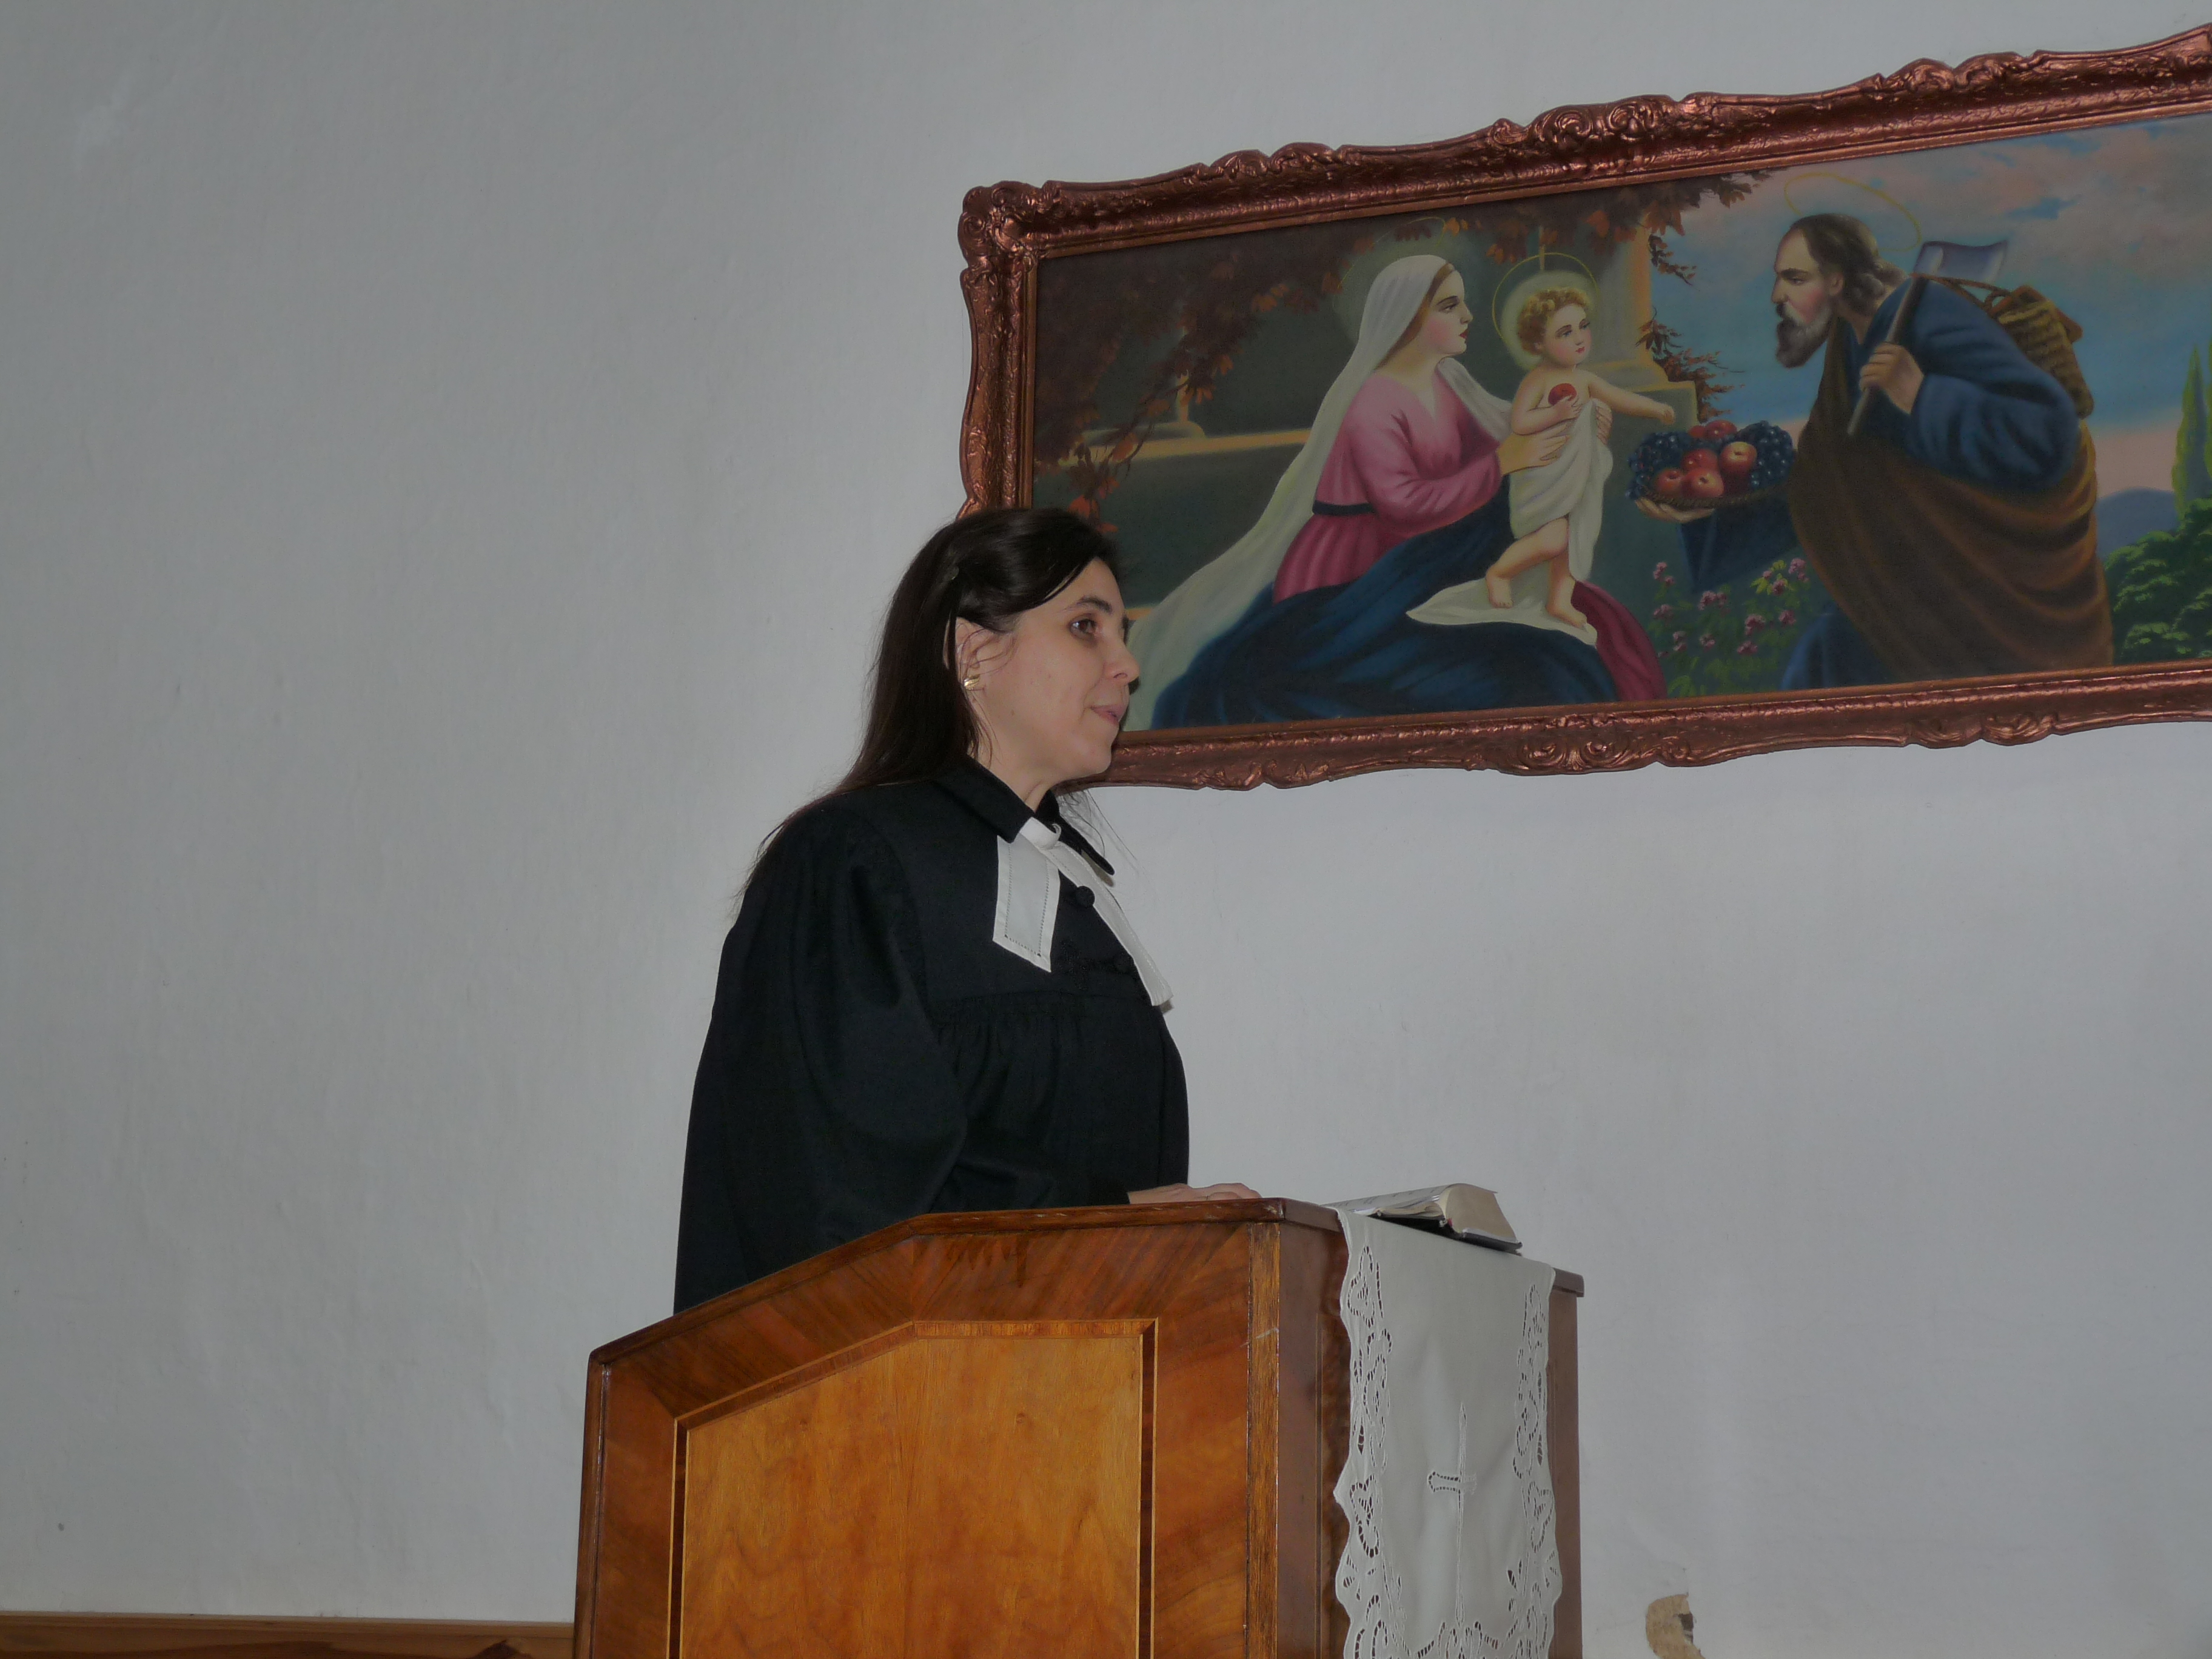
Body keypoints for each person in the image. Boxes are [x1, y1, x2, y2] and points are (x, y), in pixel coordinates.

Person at [674, 507, 1254, 1312]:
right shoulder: (850, 863)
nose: (1127, 665)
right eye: (1086, 627)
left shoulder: (1071, 890)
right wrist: (1110, 1216)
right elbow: (841, 1186)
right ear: (975, 653)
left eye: (1120, 634)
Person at [1128, 255, 1664, 732]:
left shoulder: (1447, 381)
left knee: (1572, 624)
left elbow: (1502, 437)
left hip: (1427, 553)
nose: (1467, 317)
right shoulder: (1375, 403)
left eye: (1463, 304)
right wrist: (1505, 461)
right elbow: (1404, 506)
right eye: (1450, 306)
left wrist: (1574, 427)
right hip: (1356, 570)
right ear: (1410, 319)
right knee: (1474, 670)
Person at [1638, 212, 2109, 686]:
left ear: (1838, 280)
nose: (1778, 295)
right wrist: (1712, 513)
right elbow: (1828, 483)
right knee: (1818, 673)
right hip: (1903, 602)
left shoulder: (1932, 315)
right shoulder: (1853, 336)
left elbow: (2048, 431)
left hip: (1981, 607)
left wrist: (1923, 396)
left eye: (1795, 279)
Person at [1477, 287, 1676, 629]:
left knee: (1576, 536)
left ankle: (1559, 600)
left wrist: (1656, 409)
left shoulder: (1585, 379)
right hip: (1544, 478)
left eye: (1583, 326)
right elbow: (1520, 422)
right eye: (1565, 333)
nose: (1580, 338)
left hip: (1577, 475)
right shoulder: (1538, 379)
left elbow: (1620, 398)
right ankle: (1499, 573)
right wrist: (1554, 414)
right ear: (1538, 344)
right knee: (1553, 538)